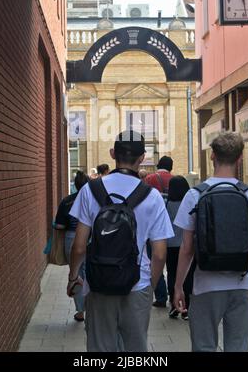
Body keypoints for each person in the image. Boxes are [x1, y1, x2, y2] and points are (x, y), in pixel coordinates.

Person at [67, 130, 174, 352]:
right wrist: (150, 287)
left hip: (98, 283)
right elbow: (160, 254)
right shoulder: (151, 196)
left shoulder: (90, 190)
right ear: (142, 157)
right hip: (137, 284)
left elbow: (78, 247)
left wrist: (73, 277)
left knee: (100, 348)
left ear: (113, 153)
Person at [174, 132, 248, 352]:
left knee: (203, 346)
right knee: (238, 347)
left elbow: (187, 249)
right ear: (239, 159)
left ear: (212, 156)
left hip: (205, 284)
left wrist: (178, 286)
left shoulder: (195, 195)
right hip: (242, 283)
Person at [54, 170, 89, 322]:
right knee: (90, 271)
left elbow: (60, 225)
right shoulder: (93, 200)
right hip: (90, 238)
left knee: (76, 273)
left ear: (75, 185)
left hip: (71, 238)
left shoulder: (67, 201)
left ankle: (80, 311)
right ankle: (93, 308)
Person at [145, 156, 174, 308]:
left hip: (155, 228)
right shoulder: (176, 179)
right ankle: (174, 294)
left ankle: (161, 296)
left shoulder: (150, 178)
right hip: (175, 227)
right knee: (173, 264)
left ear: (158, 165)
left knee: (155, 260)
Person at [166, 176, 195, 320]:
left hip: (170, 245)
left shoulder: (167, 203)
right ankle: (187, 306)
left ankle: (174, 304)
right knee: (188, 275)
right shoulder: (189, 201)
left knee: (172, 273)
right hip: (187, 244)